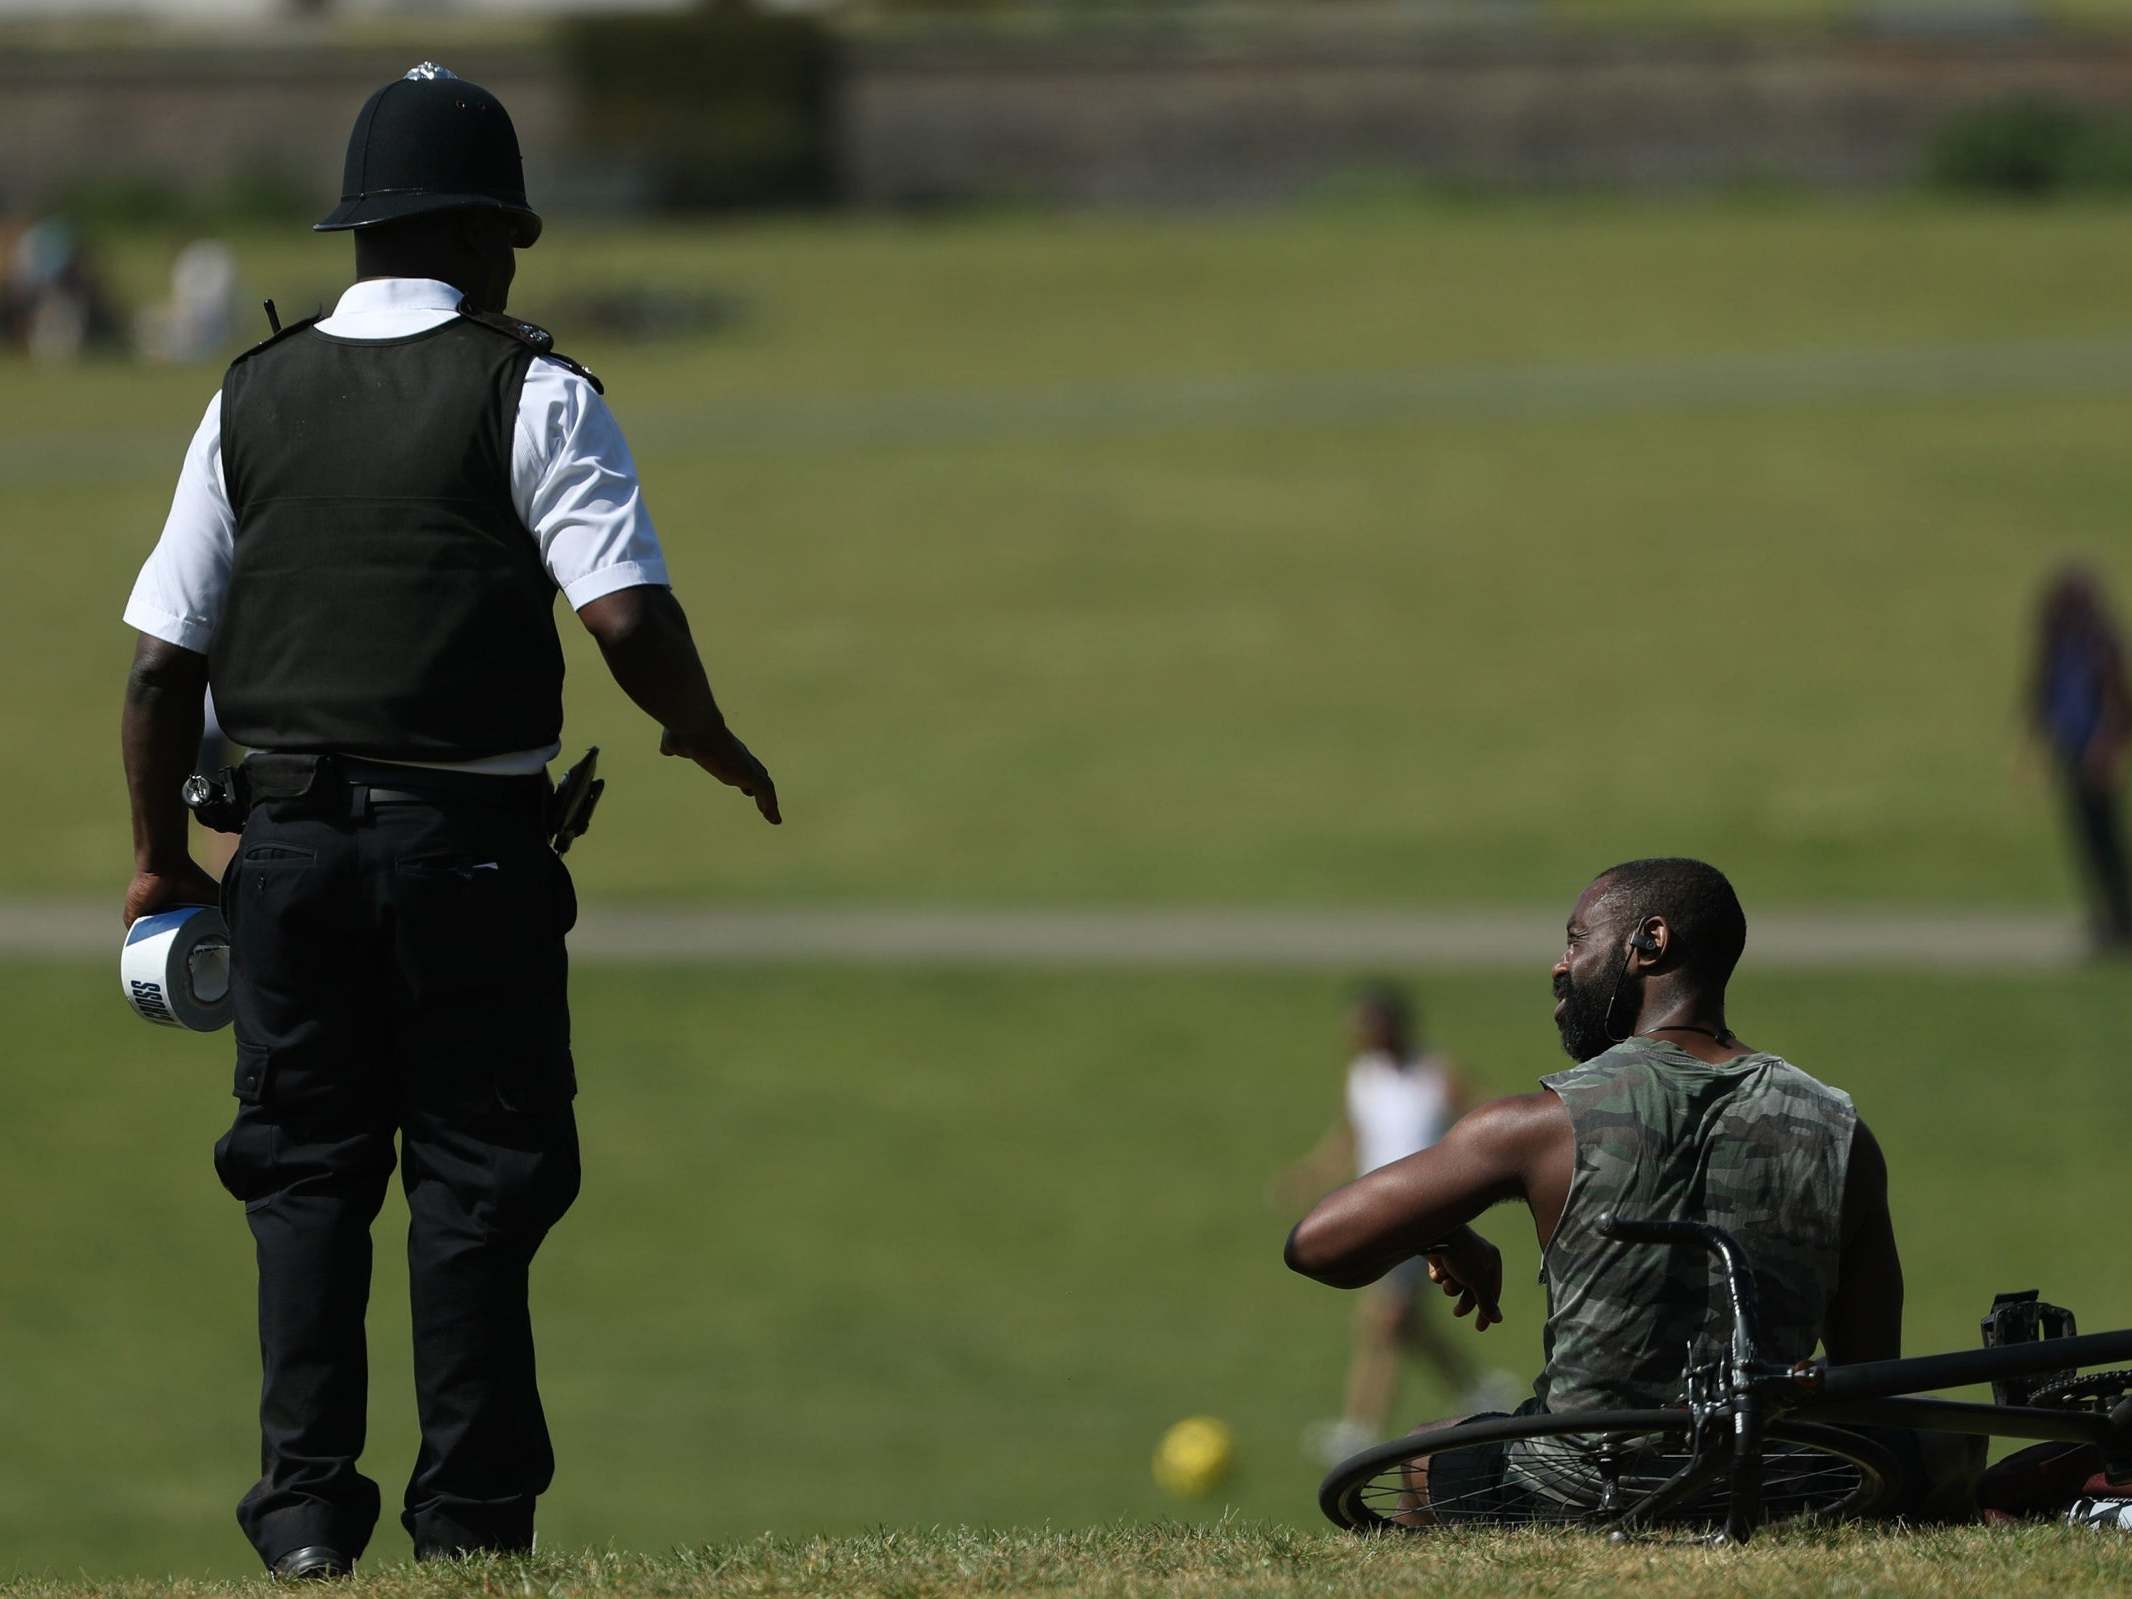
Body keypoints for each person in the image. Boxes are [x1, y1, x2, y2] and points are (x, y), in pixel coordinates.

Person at [119, 64, 779, 1581]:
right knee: (478, 1183)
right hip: (473, 854)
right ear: (488, 232)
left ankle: (301, 1519)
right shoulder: (534, 390)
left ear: (361, 232)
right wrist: (703, 728)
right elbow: (623, 614)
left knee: (303, 1176)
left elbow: (162, 665)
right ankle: (472, 1528)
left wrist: (163, 859)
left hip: (277, 853)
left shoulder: (249, 396)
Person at [1283, 858, 1918, 1518]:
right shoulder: (1842, 1134)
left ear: (1651, 943)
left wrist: (1440, 1228)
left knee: (1422, 1451)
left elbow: (1316, 1243)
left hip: (1574, 1490)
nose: (1559, 964)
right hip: (1769, 1486)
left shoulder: (1542, 1125)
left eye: (1577, 938)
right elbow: (1868, 1380)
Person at [1274, 985, 1512, 1463]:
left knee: (1381, 1322)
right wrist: (1312, 1175)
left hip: (1424, 1213)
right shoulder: (1362, 1077)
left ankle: (1360, 1431)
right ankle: (1480, 1391)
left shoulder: (1434, 1074)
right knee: (1404, 1323)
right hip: (1376, 1214)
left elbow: (1491, 1114)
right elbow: (1352, 1136)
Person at [2028, 566, 2132, 954]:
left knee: (2106, 841)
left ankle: (2122, 919)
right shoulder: (2060, 643)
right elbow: (2044, 692)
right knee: (2087, 840)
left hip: (2097, 753)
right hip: (2072, 750)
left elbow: (2119, 702)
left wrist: (2108, 747)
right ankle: (2107, 916)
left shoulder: (2100, 644)